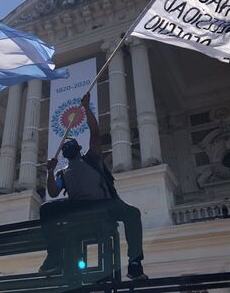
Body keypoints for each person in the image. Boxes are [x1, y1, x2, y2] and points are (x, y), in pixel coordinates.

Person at [38, 93, 148, 280]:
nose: (67, 146)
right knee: (46, 209)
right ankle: (54, 257)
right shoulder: (62, 173)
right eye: (65, 146)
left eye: (70, 144)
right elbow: (53, 192)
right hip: (78, 209)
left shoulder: (92, 158)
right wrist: (49, 172)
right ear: (63, 153)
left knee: (133, 213)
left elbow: (95, 133)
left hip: (104, 204)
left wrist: (86, 108)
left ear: (79, 148)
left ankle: (135, 262)